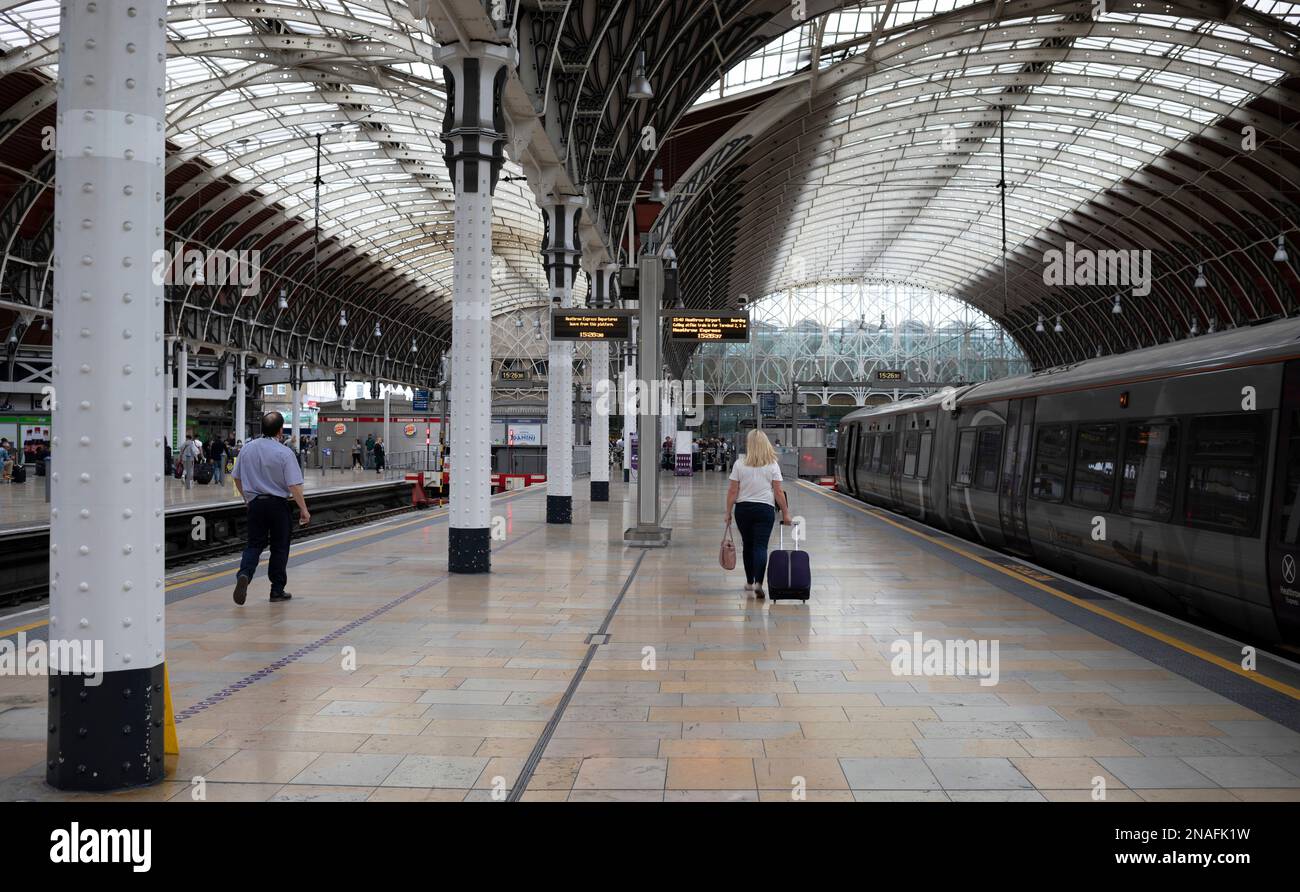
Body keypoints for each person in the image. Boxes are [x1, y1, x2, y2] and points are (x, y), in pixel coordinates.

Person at [231, 412, 310, 605]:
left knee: (254, 544)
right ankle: (276, 590)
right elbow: (293, 486)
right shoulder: (284, 452)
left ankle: (245, 574)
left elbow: (236, 477)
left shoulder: (247, 449)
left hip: (256, 504)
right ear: (280, 430)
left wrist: (247, 499)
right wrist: (304, 510)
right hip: (278, 506)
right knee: (279, 547)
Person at [724, 429, 792, 599]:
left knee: (748, 545)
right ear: (765, 444)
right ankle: (759, 584)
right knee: (760, 547)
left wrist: (728, 512)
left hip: (743, 509)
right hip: (765, 510)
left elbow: (733, 491)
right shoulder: (773, 464)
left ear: (749, 445)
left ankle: (749, 581)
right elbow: (778, 492)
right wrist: (786, 513)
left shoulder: (739, 464)